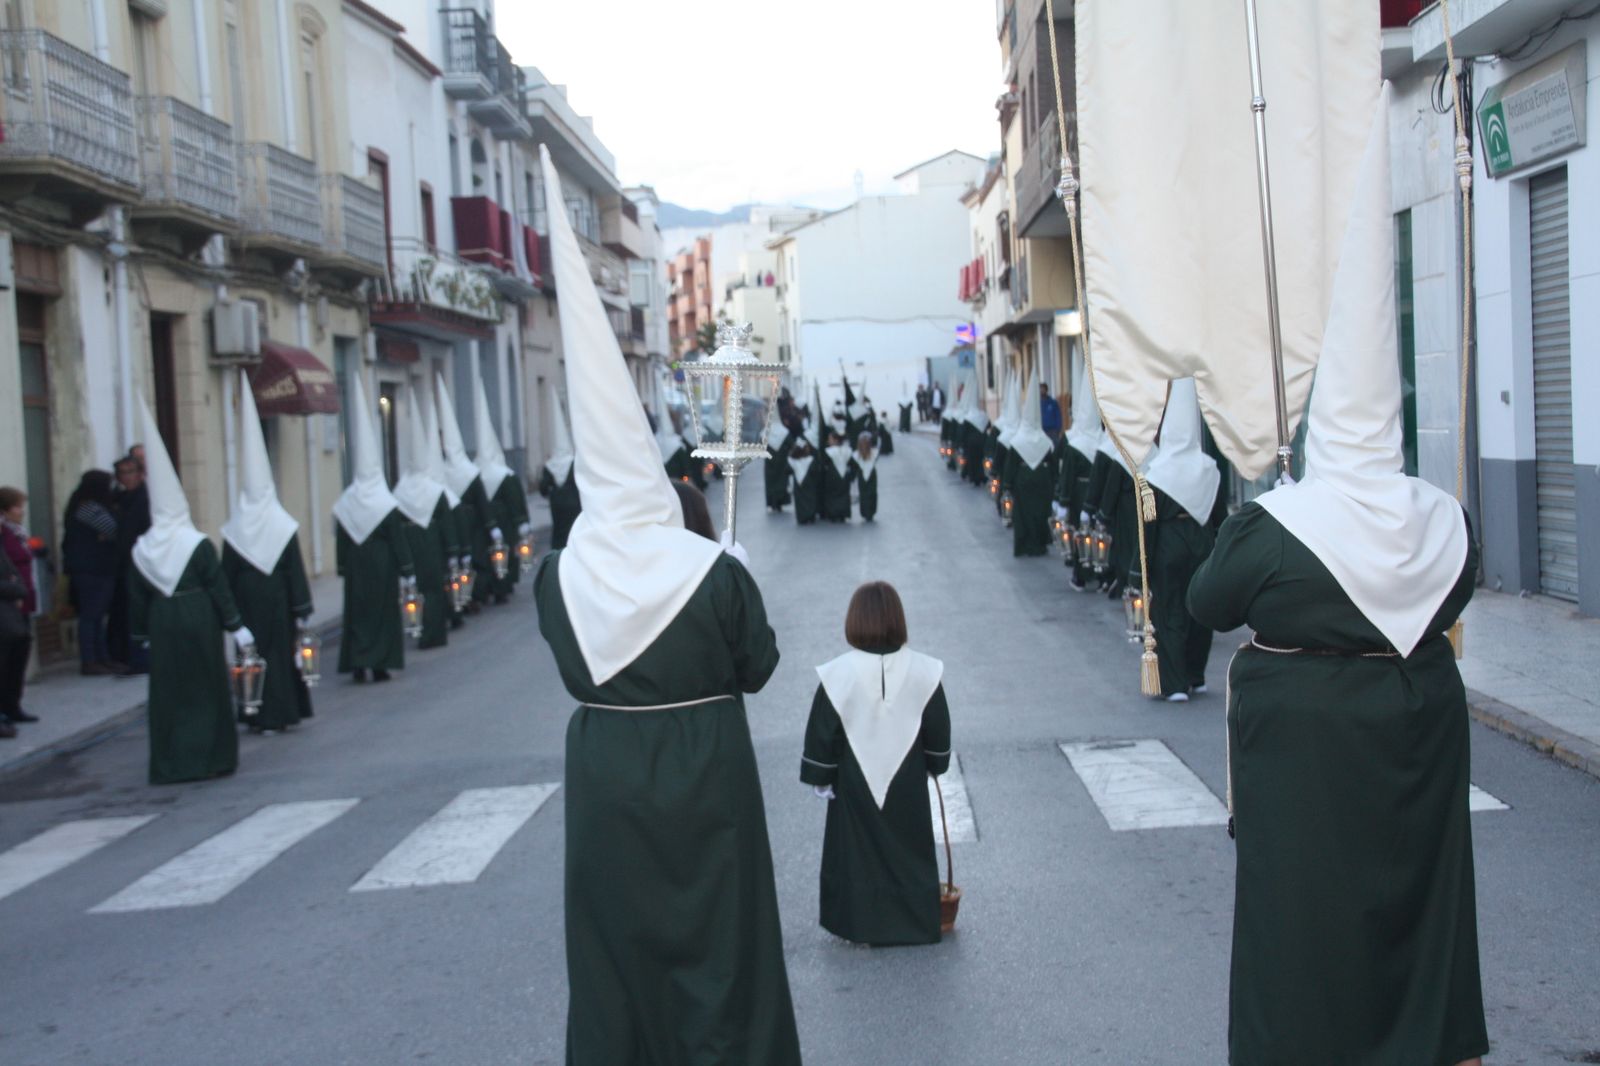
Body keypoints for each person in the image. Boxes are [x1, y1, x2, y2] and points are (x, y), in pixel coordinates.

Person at [1188, 100, 1486, 1066]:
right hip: (1415, 736)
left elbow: (1205, 603)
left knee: (1301, 913)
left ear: (1320, 428)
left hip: (1304, 749)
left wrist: (1262, 494)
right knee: (1416, 893)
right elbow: (1459, 586)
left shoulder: (1281, 526)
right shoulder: (1439, 520)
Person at [530, 148, 801, 1066]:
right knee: (722, 938)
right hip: (705, 764)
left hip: (608, 772)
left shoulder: (556, 578)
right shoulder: (712, 572)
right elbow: (758, 669)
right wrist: (731, 575)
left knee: (615, 946)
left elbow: (575, 659)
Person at [800, 581, 951, 946]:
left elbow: (823, 732)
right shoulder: (924, 670)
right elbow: (938, 732)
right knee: (909, 847)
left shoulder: (838, 673)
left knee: (856, 852)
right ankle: (914, 919)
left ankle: (860, 922)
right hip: (907, 780)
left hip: (854, 783)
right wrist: (933, 764)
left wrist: (822, 776)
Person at [127, 400, 247, 785]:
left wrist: (141, 634)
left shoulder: (143, 548)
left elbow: (136, 597)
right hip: (198, 617)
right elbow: (217, 585)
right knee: (206, 686)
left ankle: (171, 763)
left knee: (169, 692)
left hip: (162, 620)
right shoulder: (196, 544)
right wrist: (235, 624)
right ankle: (211, 758)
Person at [221, 374, 315, 732]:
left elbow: (225, 574)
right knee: (277, 656)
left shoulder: (234, 528)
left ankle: (254, 712)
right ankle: (281, 711)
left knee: (250, 656)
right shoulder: (280, 523)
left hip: (247, 600)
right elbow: (294, 569)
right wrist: (302, 608)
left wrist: (228, 618)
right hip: (276, 599)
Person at [1142, 379, 1221, 701]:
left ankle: (1176, 684)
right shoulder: (1208, 467)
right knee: (1200, 609)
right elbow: (1219, 518)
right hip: (1202, 542)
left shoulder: (1157, 471)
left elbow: (1149, 523)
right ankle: (1196, 674)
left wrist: (1140, 566)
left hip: (1169, 543)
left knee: (1170, 610)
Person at [334, 373, 416, 683]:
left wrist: (343, 566)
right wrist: (406, 567)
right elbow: (396, 538)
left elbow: (342, 539)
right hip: (381, 566)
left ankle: (358, 662)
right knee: (381, 615)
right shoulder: (384, 503)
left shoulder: (348, 501)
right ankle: (379, 663)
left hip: (357, 566)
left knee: (357, 614)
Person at [392, 386, 457, 652]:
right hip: (430, 544)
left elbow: (394, 524)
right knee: (433, 589)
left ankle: (418, 628)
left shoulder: (399, 491)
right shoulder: (434, 491)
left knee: (416, 589)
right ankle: (433, 633)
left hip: (410, 543)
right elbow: (445, 522)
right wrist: (452, 550)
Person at [436, 373, 495, 620]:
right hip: (471, 526)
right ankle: (471, 597)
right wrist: (491, 526)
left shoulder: (439, 474)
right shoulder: (470, 473)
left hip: (453, 527)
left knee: (458, 564)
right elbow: (482, 502)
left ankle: (462, 600)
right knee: (474, 563)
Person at [474, 378, 530, 604]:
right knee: (503, 554)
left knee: (485, 556)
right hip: (504, 521)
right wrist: (521, 520)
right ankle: (502, 586)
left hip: (481, 524)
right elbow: (516, 500)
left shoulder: (474, 473)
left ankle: (484, 589)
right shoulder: (505, 476)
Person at [61, 470, 121, 676]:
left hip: (97, 568)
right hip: (92, 569)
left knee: (97, 616)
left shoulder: (86, 506)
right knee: (91, 616)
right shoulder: (89, 508)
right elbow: (115, 529)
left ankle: (101, 658)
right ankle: (90, 660)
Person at [1054, 357, 1102, 591]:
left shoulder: (1075, 445)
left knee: (1081, 536)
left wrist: (1063, 501)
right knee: (1099, 535)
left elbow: (1067, 476)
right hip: (1099, 495)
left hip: (1080, 494)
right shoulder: (1104, 443)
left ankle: (1080, 574)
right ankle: (1101, 574)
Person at [0, 487, 39, 736]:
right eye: (17, 506)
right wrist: (13, 587)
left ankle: (13, 706)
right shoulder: (5, 534)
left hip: (18, 600)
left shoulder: (15, 532)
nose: (22, 511)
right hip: (7, 603)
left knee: (18, 655)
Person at [1007, 368, 1058, 557]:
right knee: (1040, 514)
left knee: (1023, 516)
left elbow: (1011, 466)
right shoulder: (1044, 441)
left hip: (1023, 482)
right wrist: (1055, 484)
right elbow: (1052, 467)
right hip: (1042, 483)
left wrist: (1007, 484)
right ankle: (1039, 544)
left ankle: (1025, 544)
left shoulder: (1018, 441)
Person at [108, 454, 150, 672]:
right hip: (123, 564)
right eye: (122, 473)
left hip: (139, 562)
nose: (127, 477)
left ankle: (139, 659)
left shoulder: (145, 498)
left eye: (130, 472)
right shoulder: (120, 498)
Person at [538, 385, 581, 549]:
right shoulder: (574, 462)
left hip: (557, 506)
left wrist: (553, 490)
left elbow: (542, 489)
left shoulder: (550, 465)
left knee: (559, 534)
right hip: (574, 505)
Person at [820, 430, 854, 523]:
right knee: (844, 494)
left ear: (836, 440)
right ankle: (843, 513)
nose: (828, 441)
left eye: (830, 439)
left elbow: (824, 463)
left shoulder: (829, 451)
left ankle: (833, 514)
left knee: (832, 495)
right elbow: (852, 463)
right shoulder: (847, 450)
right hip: (844, 475)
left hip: (832, 475)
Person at [789, 431, 821, 525]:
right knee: (810, 498)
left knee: (800, 500)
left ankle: (802, 517)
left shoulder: (793, 461)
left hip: (798, 485)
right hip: (809, 484)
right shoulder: (811, 460)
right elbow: (815, 471)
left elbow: (787, 470)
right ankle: (811, 515)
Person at [763, 421, 795, 513]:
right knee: (782, 482)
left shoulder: (766, 431)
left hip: (769, 463)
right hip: (782, 462)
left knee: (771, 482)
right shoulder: (784, 432)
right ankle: (780, 502)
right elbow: (791, 443)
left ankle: (773, 503)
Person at [850, 431, 880, 523]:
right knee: (865, 493)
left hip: (870, 475)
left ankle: (869, 512)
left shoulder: (874, 453)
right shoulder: (856, 455)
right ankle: (867, 512)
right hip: (863, 475)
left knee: (871, 493)